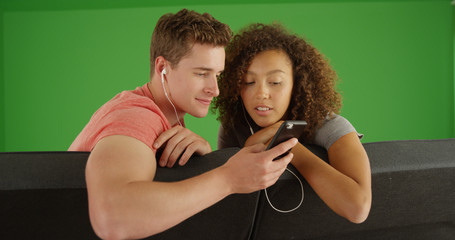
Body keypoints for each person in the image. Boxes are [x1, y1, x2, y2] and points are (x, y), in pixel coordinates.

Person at [69, 10, 297, 239]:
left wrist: (204, 163)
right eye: (201, 73)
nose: (215, 89)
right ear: (162, 68)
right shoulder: (135, 116)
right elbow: (113, 219)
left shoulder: (169, 121)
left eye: (217, 75)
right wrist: (228, 178)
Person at [214, 23, 372, 223]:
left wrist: (286, 143)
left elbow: (357, 208)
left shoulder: (331, 126)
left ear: (296, 85)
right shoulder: (234, 126)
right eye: (248, 82)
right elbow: (225, 205)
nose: (261, 93)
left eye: (275, 82)